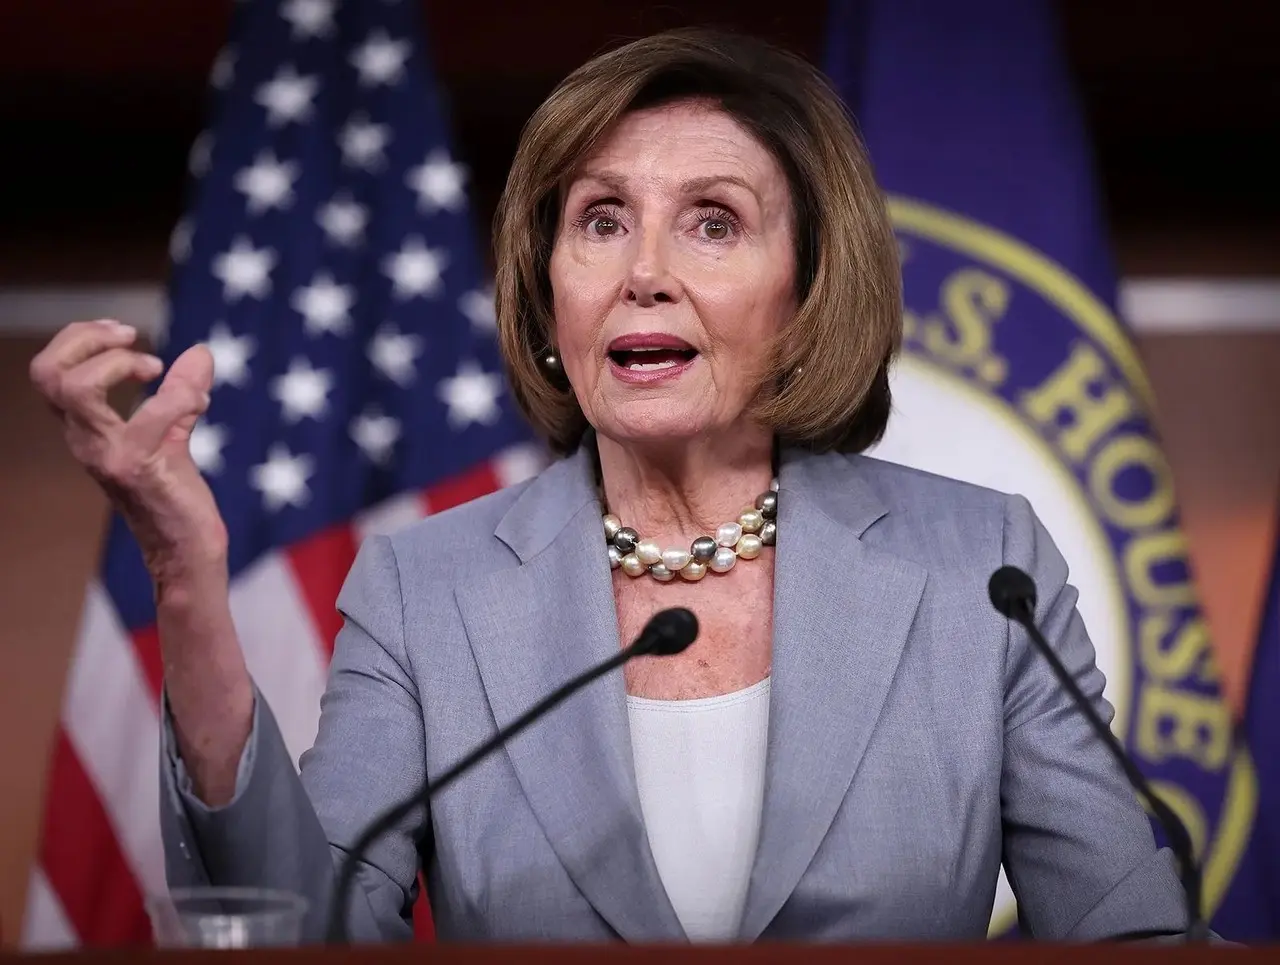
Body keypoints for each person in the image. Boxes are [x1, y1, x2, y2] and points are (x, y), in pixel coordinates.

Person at [30, 28, 1190, 945]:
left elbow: (1124, 929)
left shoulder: (977, 567)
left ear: (806, 293)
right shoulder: (427, 589)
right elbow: (308, 928)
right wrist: (184, 574)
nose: (643, 274)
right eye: (599, 221)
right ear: (547, 299)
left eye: (712, 223)